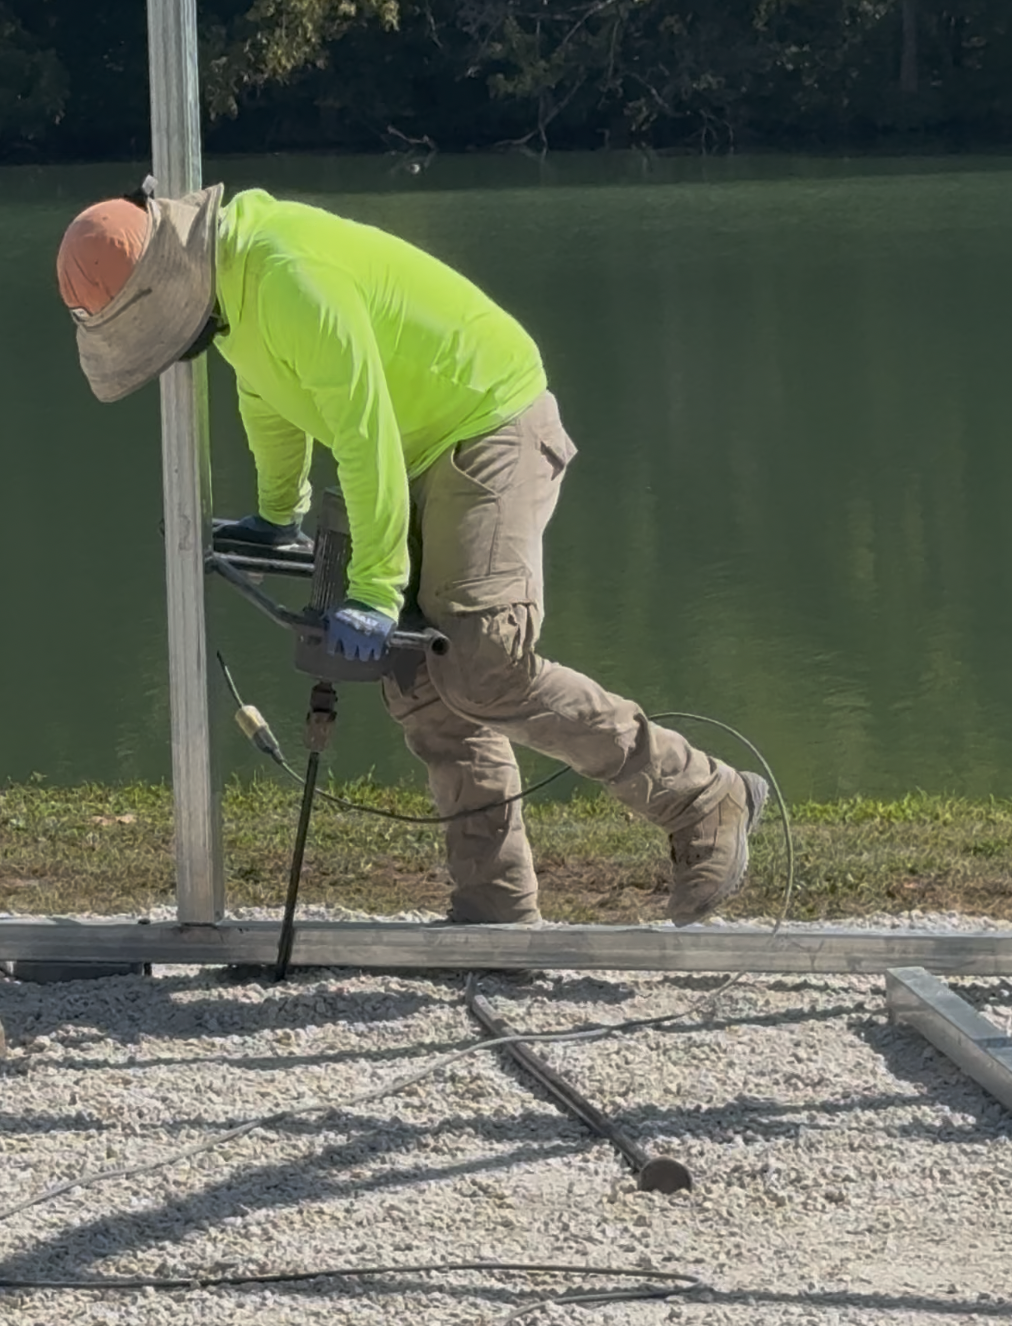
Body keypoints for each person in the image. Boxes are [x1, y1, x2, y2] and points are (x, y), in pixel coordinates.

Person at [55, 181, 768, 927]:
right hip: (415, 445)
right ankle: (495, 913)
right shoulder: (228, 296)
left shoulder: (286, 276)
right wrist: (276, 516)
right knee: (420, 675)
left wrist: (374, 588)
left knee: (483, 659)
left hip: (486, 417)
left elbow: (364, 435)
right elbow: (270, 399)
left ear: (172, 278)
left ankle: (703, 796)